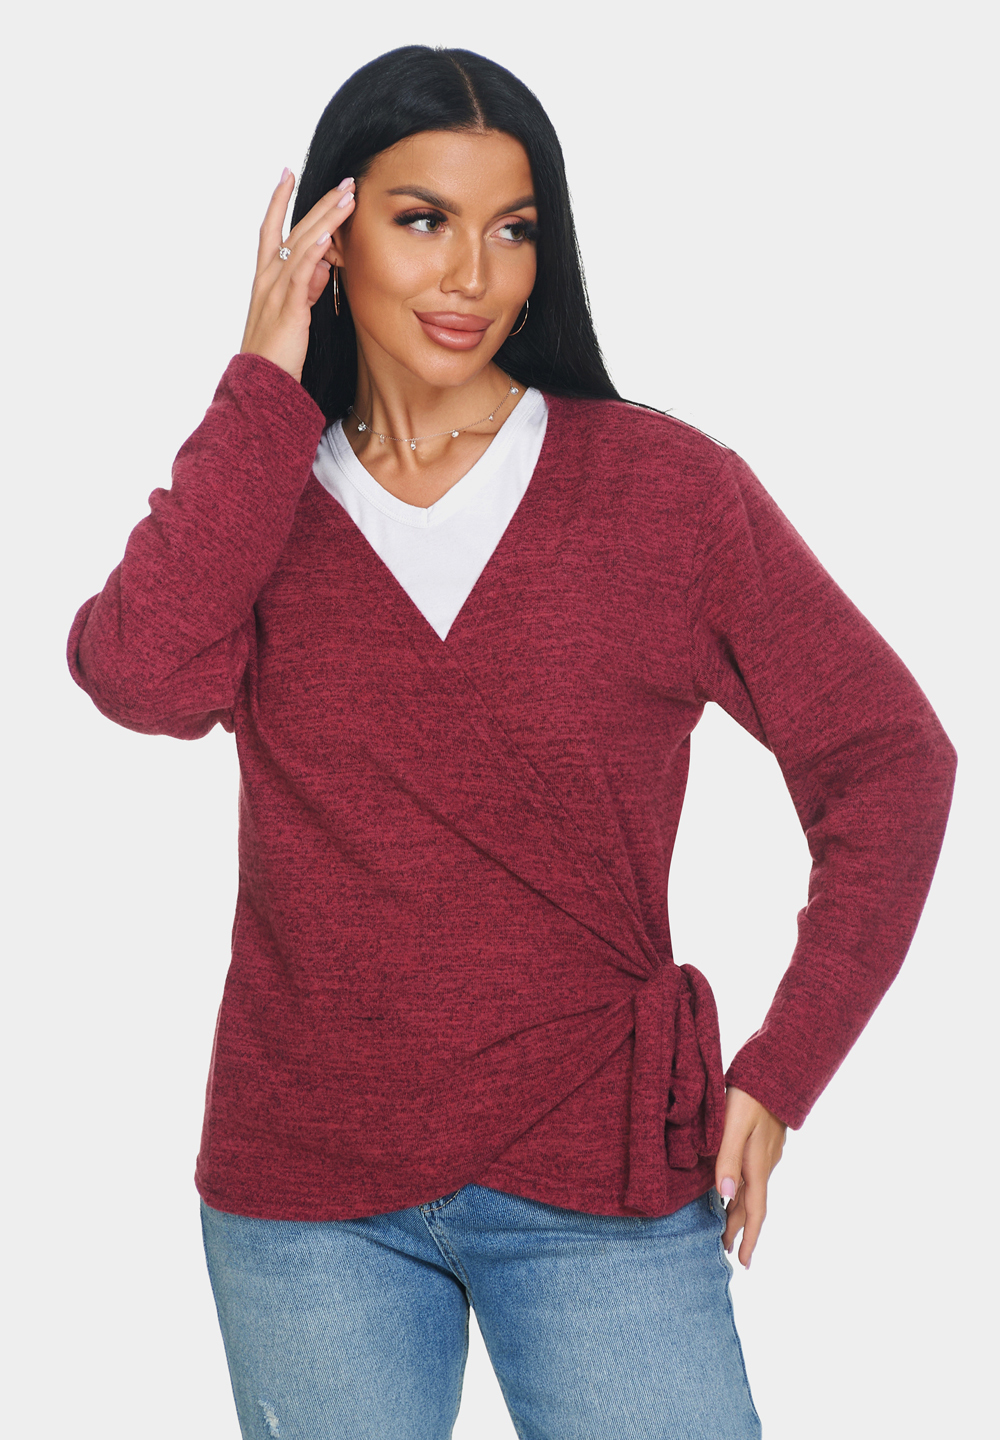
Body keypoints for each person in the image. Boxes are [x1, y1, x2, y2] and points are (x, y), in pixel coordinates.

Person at [65, 43, 956, 1440]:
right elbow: (134, 675)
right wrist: (259, 383)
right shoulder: (262, 499)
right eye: (424, 219)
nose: (472, 274)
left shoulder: (665, 494)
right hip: (305, 1192)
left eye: (514, 228)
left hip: (598, 1167)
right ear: (330, 236)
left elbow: (890, 757)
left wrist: (788, 1065)